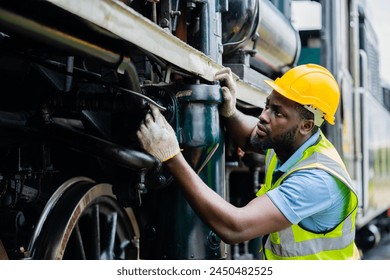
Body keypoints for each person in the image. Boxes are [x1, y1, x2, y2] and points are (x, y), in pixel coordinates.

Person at [136, 64, 360, 260]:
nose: (264, 115)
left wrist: (172, 157)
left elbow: (235, 227)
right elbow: (251, 135)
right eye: (267, 105)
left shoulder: (316, 181)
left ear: (306, 126)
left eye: (278, 113)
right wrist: (231, 112)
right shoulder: (292, 144)